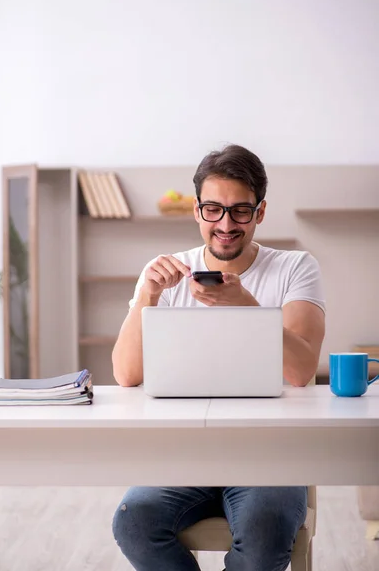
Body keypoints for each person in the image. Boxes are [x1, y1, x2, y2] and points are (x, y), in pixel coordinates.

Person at [111, 144, 326, 571]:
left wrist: (244, 304)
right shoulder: (163, 272)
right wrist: (147, 299)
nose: (225, 224)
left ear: (260, 212)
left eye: (240, 211)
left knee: (265, 527)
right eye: (213, 209)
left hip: (271, 457)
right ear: (196, 210)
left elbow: (301, 372)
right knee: (133, 521)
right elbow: (126, 374)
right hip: (185, 452)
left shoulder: (296, 268)